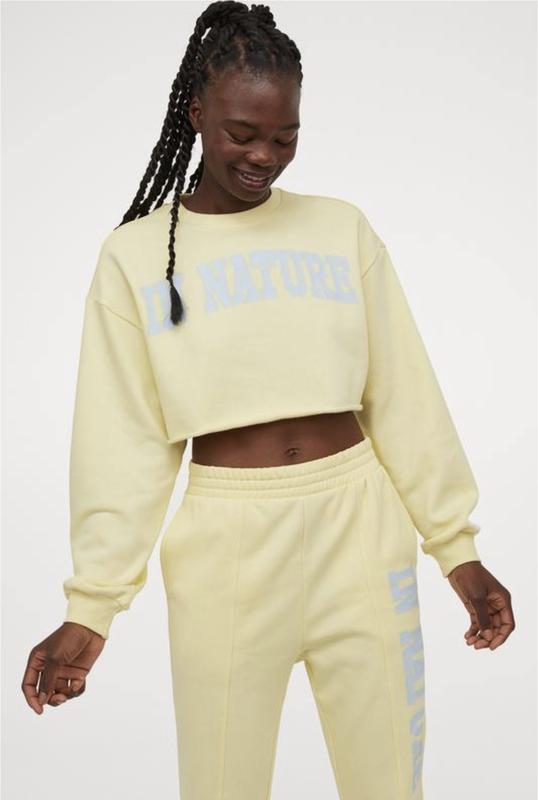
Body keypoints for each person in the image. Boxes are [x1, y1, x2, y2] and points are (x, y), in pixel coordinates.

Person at [21, 2, 515, 798]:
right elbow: (122, 445)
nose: (264, 156)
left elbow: (404, 397)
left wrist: (457, 550)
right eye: (242, 133)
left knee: (391, 785)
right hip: (228, 549)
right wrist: (93, 608)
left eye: (285, 137)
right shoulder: (135, 258)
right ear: (196, 112)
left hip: (362, 534)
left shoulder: (341, 230)